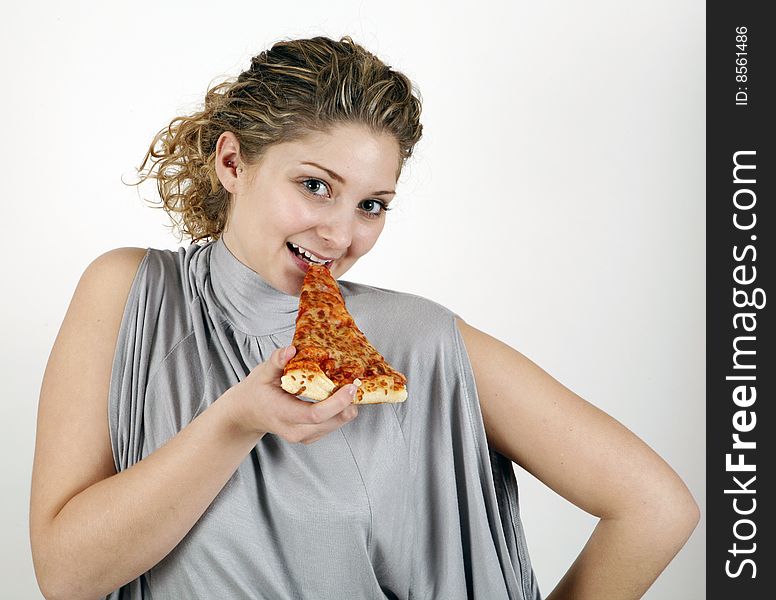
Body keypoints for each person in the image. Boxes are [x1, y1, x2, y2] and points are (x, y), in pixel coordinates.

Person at [29, 35, 699, 600]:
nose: (340, 234)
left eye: (372, 205)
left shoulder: (419, 341)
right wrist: (238, 420)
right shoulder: (128, 290)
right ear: (233, 162)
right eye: (314, 185)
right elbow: (66, 574)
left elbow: (655, 509)